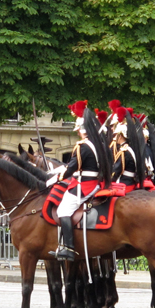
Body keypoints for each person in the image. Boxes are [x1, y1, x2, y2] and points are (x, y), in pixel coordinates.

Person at [52, 101, 105, 261]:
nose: (77, 133)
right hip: (94, 183)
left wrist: (58, 176)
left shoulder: (82, 146)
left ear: (82, 130)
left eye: (78, 129)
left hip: (85, 185)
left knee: (63, 211)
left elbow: (72, 168)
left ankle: (69, 248)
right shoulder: (98, 144)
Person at [111, 107, 139, 193]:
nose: (115, 137)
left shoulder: (124, 151)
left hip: (125, 184)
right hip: (130, 181)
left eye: (116, 135)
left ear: (120, 136)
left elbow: (116, 172)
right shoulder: (129, 149)